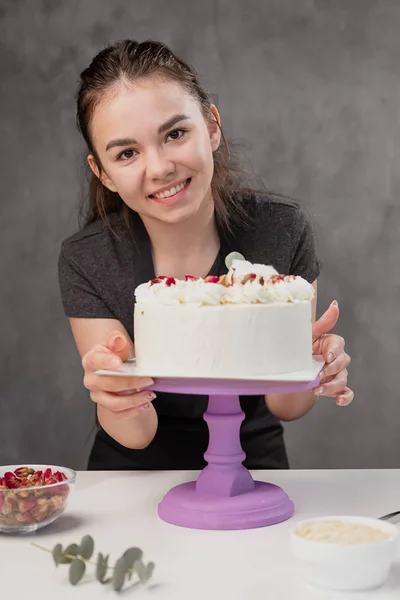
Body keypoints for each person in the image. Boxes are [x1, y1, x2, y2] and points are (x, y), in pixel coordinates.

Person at [58, 39, 353, 471]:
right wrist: (115, 391)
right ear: (102, 172)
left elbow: (287, 406)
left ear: (212, 126)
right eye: (126, 153)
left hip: (253, 468)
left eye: (175, 134)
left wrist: (308, 361)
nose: (159, 168)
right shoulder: (89, 260)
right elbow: (136, 434)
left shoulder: (279, 228)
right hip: (133, 482)